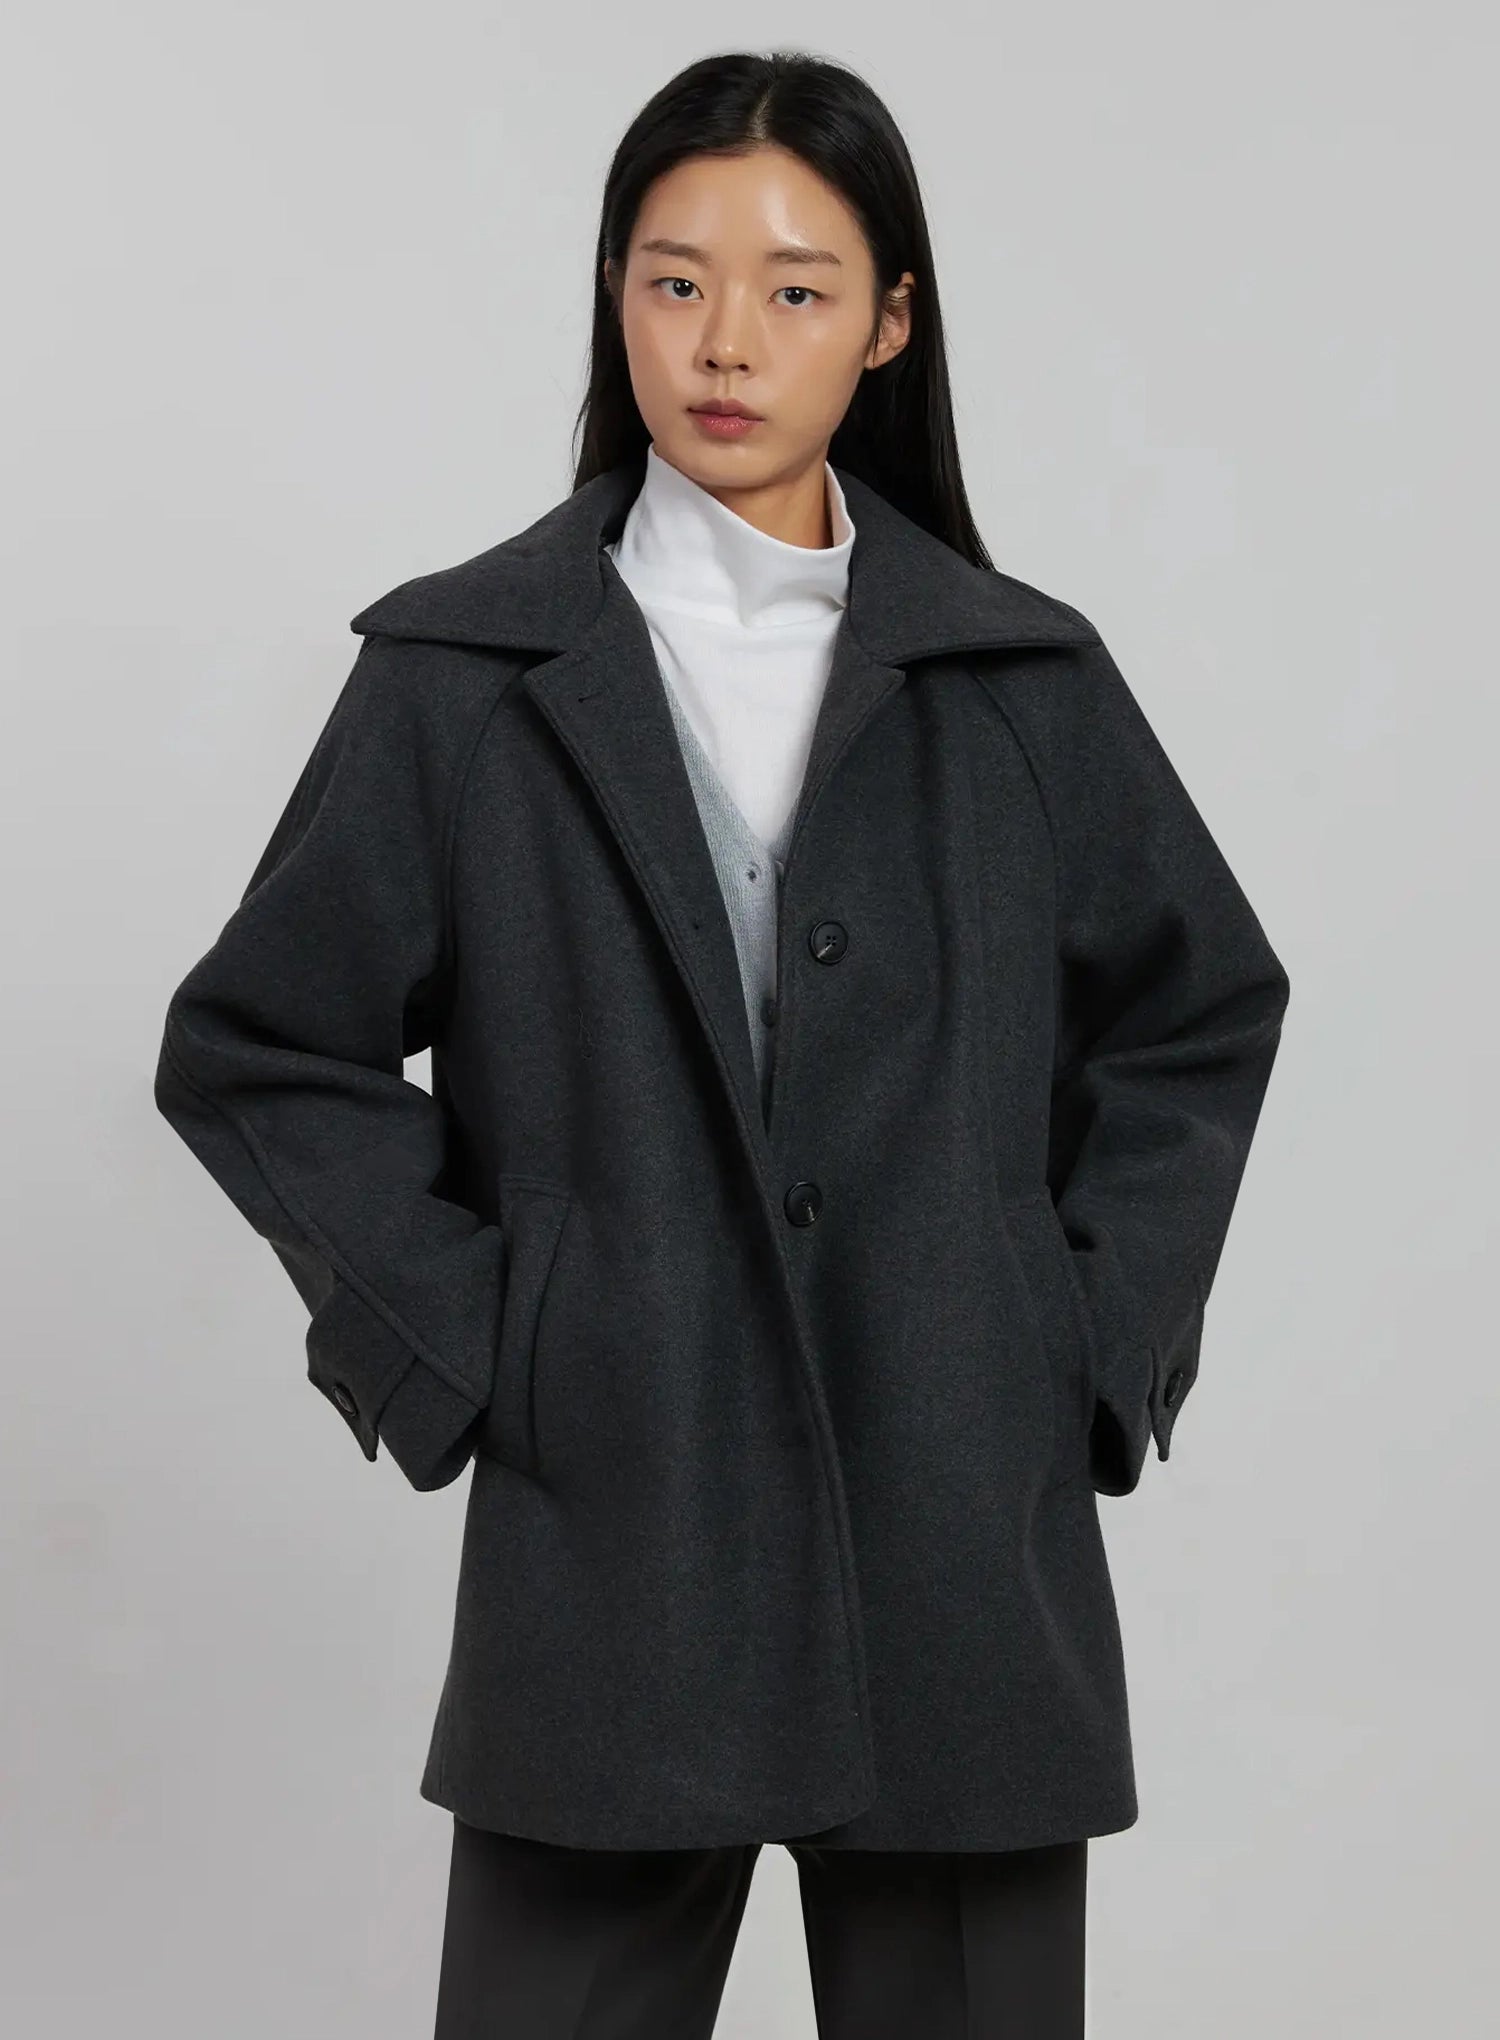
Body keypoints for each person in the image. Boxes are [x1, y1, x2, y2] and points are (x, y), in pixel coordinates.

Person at [153, 47, 1291, 2040]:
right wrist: (484, 1340)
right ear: (615, 297)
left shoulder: (1019, 679)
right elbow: (264, 1043)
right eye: (673, 280)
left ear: (891, 321)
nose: (726, 343)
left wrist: (1077, 1343)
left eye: (795, 287)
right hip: (618, 1533)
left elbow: (1197, 1008)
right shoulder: (467, 677)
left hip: (959, 1535)